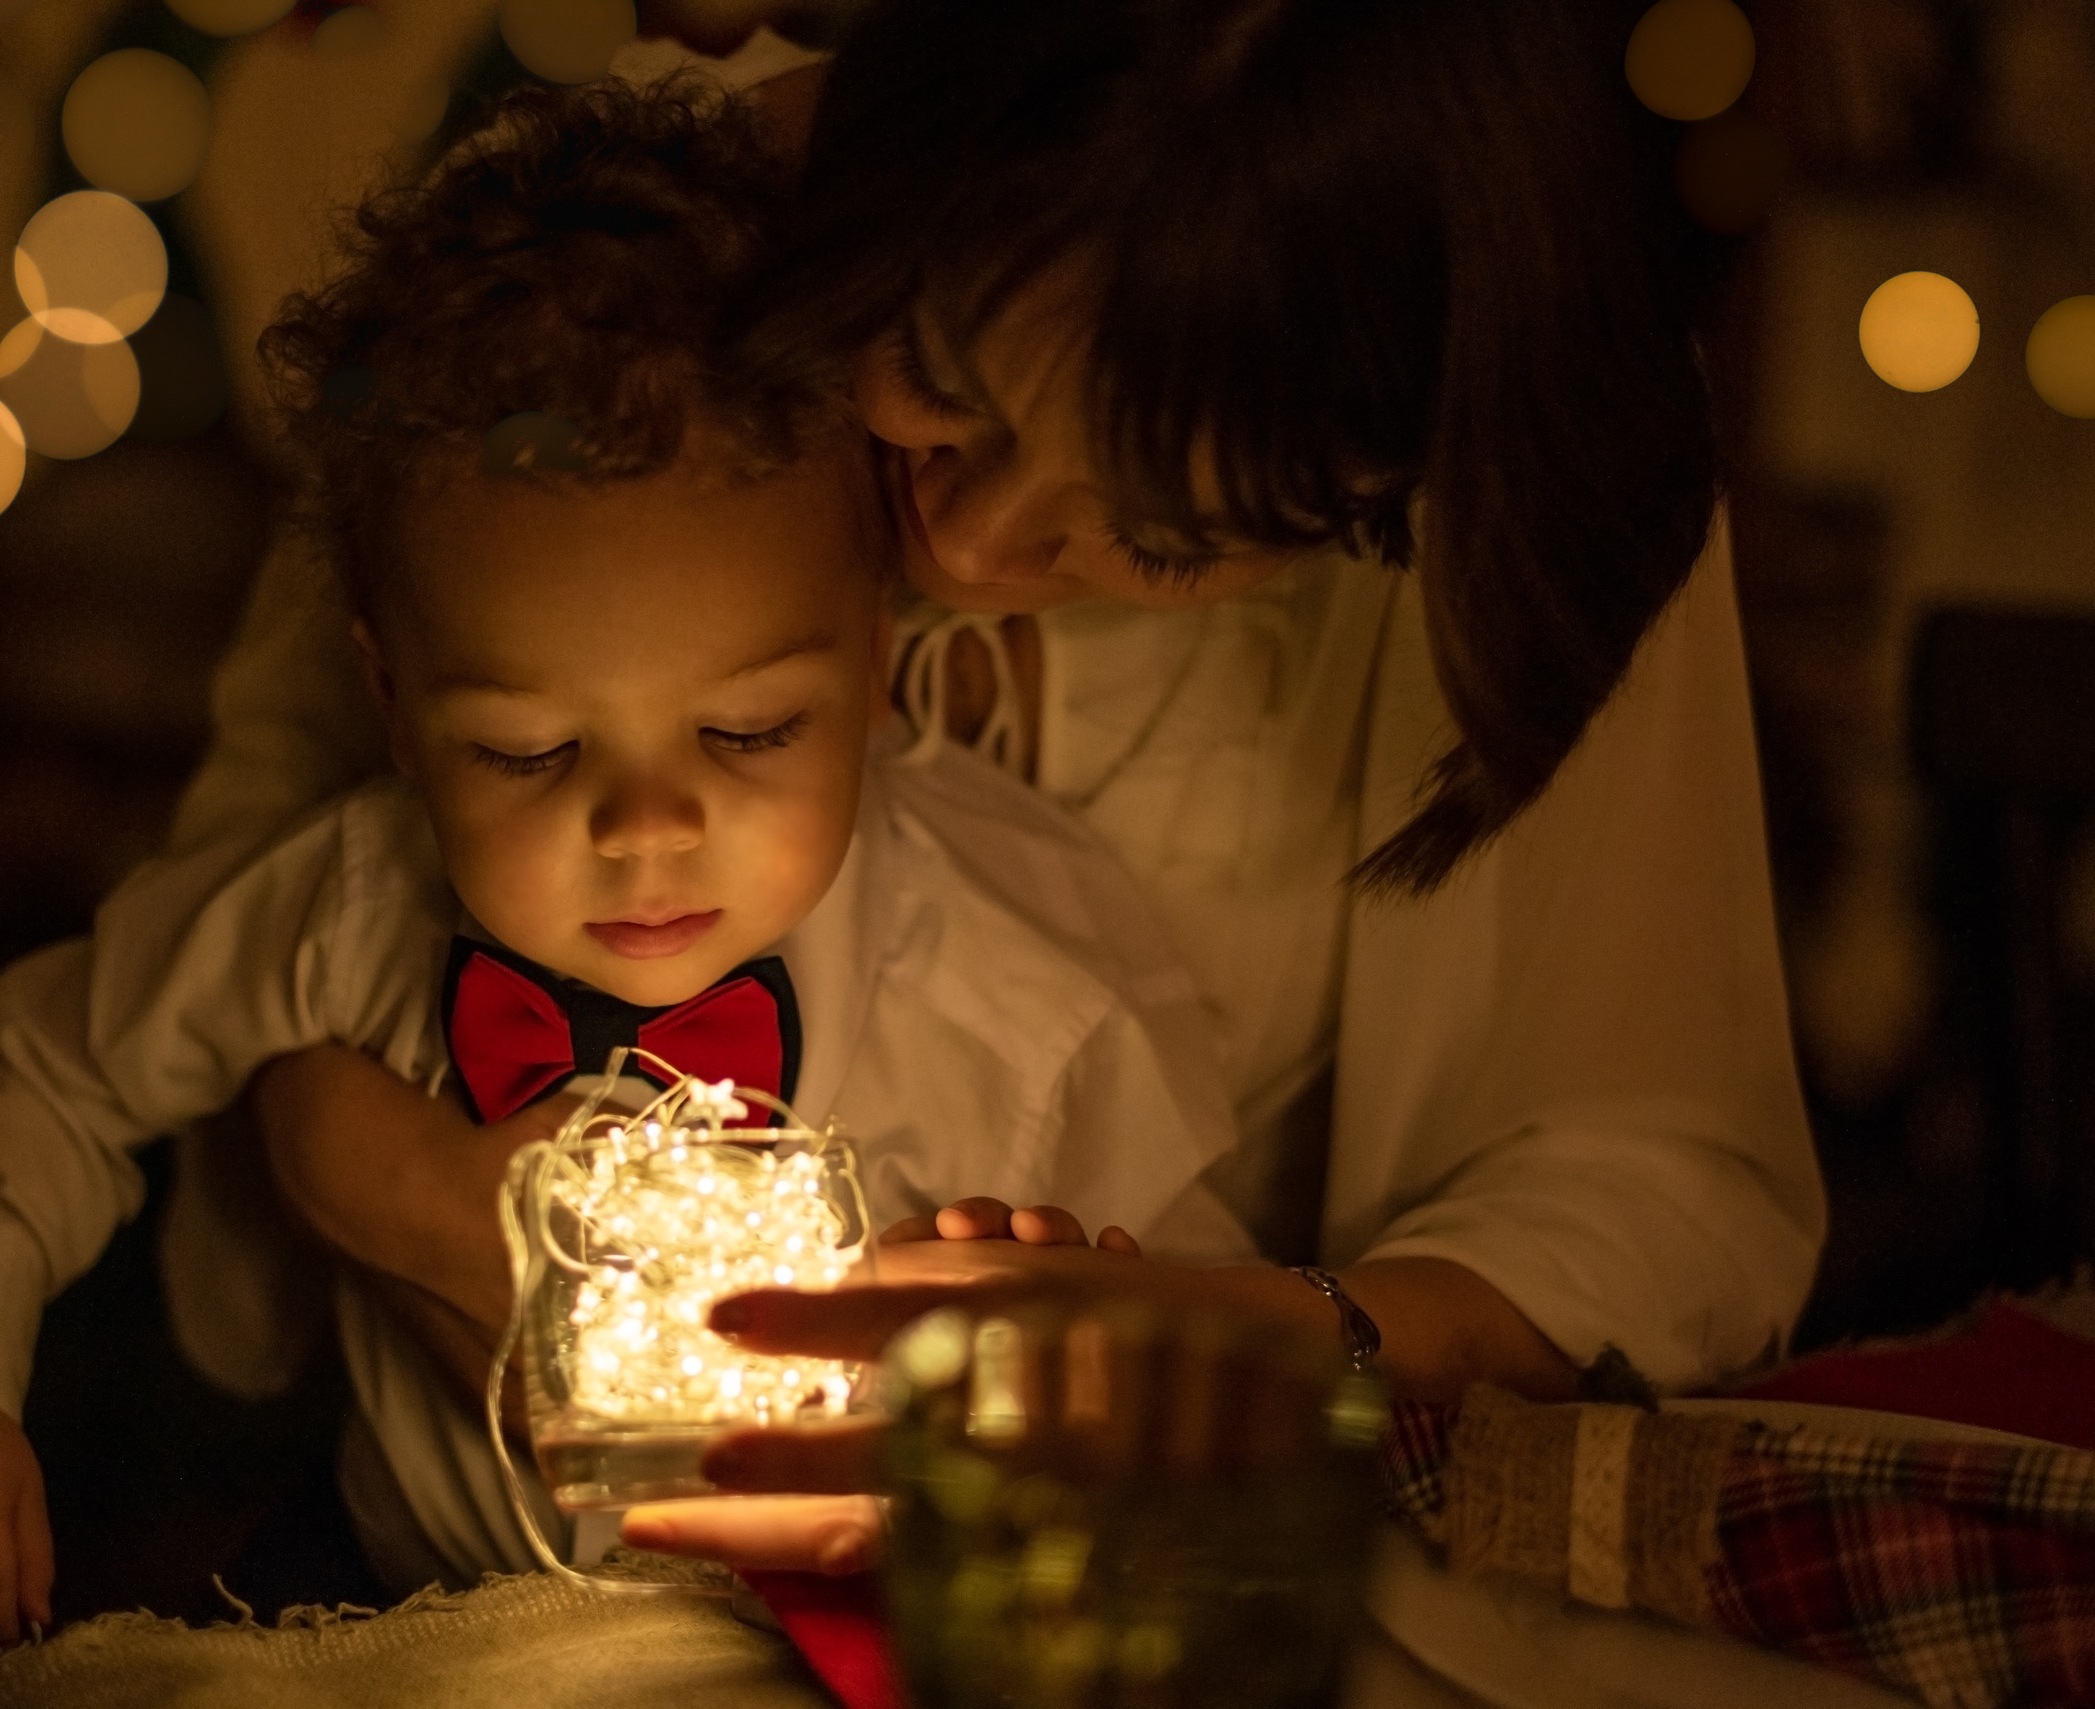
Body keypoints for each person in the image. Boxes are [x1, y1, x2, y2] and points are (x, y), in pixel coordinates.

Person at [213, 0, 1826, 1578]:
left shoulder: (1514, 458)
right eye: (933, 375)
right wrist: (391, 1180)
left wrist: (1259, 1335)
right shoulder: (570, 263)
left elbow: (1657, 1171)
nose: (969, 551)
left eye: (1170, 539)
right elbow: (226, 902)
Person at [0, 78, 1260, 1646]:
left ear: (880, 655)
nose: (647, 827)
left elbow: (1225, 1370)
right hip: (399, 1586)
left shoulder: (1017, 985)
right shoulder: (342, 905)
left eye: (757, 729)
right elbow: (34, 1070)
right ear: (392, 695)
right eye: (526, 749)